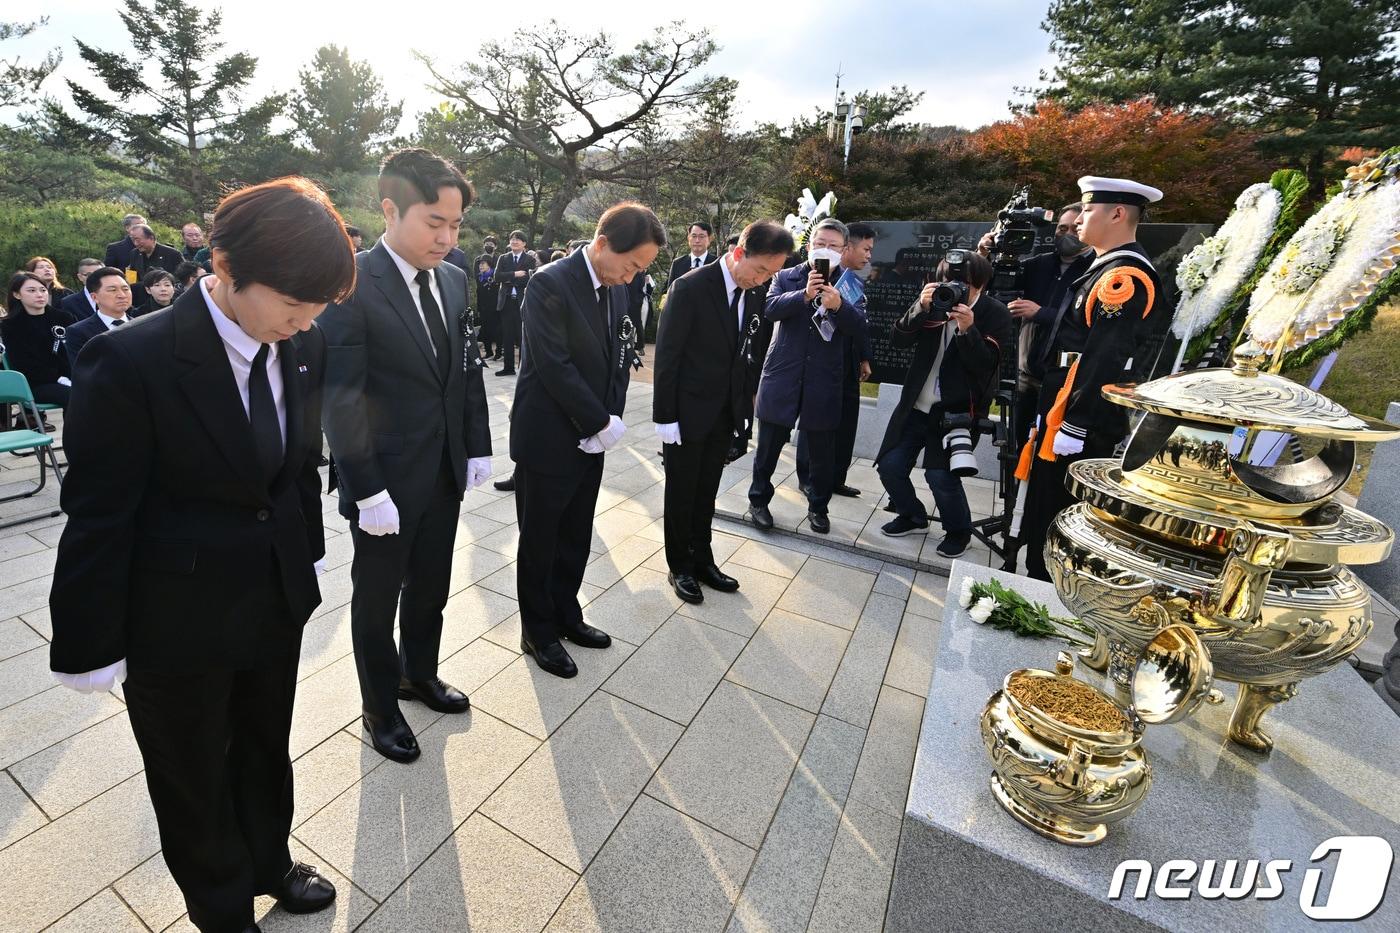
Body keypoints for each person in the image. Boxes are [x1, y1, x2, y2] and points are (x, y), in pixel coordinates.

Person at [48, 177, 355, 933]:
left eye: (319, 305)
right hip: (174, 616)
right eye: (293, 300)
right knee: (190, 772)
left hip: (272, 597)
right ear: (223, 262)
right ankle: (221, 907)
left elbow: (296, 465)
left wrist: (307, 555)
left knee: (264, 744)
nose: (306, 319)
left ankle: (268, 861)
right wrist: (88, 640)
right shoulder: (129, 361)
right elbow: (98, 511)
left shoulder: (303, 342)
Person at [319, 148, 493, 764]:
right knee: (376, 598)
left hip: (442, 470)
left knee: (431, 587)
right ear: (390, 208)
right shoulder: (353, 282)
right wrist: (366, 489)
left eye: (455, 226)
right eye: (433, 223)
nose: (446, 238)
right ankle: (379, 707)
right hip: (385, 482)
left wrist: (477, 446)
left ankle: (418, 672)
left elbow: (463, 370)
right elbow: (341, 400)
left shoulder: (450, 276)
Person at [511, 202, 664, 678]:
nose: (633, 275)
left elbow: (620, 354)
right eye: (632, 263)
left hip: (591, 437)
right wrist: (598, 420)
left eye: (642, 268)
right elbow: (553, 365)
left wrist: (609, 417)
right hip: (549, 435)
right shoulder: (549, 283)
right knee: (541, 537)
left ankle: (566, 613)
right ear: (602, 244)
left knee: (576, 532)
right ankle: (536, 630)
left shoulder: (615, 287)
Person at [1020, 176, 1164, 581]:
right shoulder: (1102, 268)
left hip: (1079, 415)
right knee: (1042, 507)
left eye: (1087, 210)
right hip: (1061, 401)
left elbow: (1105, 357)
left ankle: (1046, 589)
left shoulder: (1125, 277)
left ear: (1117, 214)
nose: (1079, 218)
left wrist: (1074, 423)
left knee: (1057, 513)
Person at [653, 220, 792, 604]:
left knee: (707, 491)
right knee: (681, 492)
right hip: (685, 412)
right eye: (761, 269)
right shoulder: (691, 287)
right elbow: (667, 357)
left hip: (723, 412)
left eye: (773, 274)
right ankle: (679, 565)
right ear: (738, 253)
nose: (764, 279)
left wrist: (743, 415)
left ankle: (703, 559)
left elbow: (746, 359)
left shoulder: (753, 295)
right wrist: (665, 418)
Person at [876, 251, 1011, 557]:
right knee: (890, 465)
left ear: (980, 286)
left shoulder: (994, 313)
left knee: (940, 475)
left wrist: (967, 330)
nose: (954, 289)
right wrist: (920, 307)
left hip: (957, 413)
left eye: (964, 285)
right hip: (916, 405)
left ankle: (958, 530)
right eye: (947, 280)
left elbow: (987, 365)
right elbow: (898, 340)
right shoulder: (934, 304)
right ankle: (912, 515)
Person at [747, 218, 864, 535]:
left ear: (844, 250)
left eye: (834, 246)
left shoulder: (851, 285)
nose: (826, 250)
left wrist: (839, 306)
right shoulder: (786, 276)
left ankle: (818, 507)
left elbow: (860, 328)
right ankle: (758, 501)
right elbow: (769, 309)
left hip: (824, 379)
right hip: (784, 373)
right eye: (820, 243)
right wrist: (802, 295)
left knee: (822, 453)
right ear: (809, 246)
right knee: (768, 447)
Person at [978, 203, 1095, 450]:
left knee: (1047, 447)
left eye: (1074, 228)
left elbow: (1091, 321)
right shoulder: (1039, 264)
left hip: (1064, 378)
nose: (1067, 234)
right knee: (1019, 442)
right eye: (1061, 228)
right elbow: (986, 283)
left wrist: (1041, 313)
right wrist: (984, 254)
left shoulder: (1096, 270)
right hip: (1026, 372)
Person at [796, 222, 875, 499]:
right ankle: (807, 478)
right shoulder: (809, 277)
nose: (868, 256)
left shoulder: (853, 281)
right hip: (820, 361)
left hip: (848, 360)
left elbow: (861, 322)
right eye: (865, 249)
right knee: (814, 420)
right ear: (848, 248)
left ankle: (835, 477)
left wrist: (865, 357)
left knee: (845, 419)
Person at [3, 271, 75, 409]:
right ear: (17, 294)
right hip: (38, 382)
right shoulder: (11, 325)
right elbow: (22, 362)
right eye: (31, 290)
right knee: (75, 395)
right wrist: (58, 378)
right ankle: (76, 431)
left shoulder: (64, 317)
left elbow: (76, 350)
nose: (39, 294)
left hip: (72, 376)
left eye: (43, 290)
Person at [64, 266, 134, 370]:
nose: (122, 295)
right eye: (112, 290)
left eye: (125, 289)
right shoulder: (78, 332)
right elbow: (85, 373)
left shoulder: (143, 324)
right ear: (95, 297)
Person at [491, 230, 536, 376]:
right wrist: (514, 275)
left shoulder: (529, 259)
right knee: (507, 336)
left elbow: (528, 279)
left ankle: (524, 367)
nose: (514, 241)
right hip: (506, 302)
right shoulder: (503, 258)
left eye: (518, 239)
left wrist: (508, 279)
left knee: (523, 335)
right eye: (512, 239)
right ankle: (508, 367)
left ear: (524, 244)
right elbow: (497, 277)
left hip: (522, 302)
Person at [124, 224, 185, 308]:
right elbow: (132, 277)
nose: (135, 243)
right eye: (133, 240)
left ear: (151, 238)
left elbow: (184, 277)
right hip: (143, 302)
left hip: (168, 302)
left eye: (138, 240)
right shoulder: (134, 253)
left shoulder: (172, 254)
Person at [665, 221, 715, 291]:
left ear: (709, 239)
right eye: (694, 236)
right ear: (688, 238)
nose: (697, 240)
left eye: (701, 236)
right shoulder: (677, 264)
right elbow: (670, 293)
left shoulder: (716, 263)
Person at [473, 236, 500, 360]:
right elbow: (476, 278)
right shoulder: (478, 261)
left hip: (495, 303)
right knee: (485, 327)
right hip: (483, 302)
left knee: (497, 327)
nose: (488, 245)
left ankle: (499, 351)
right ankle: (488, 351)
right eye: (486, 243)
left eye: (491, 243)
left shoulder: (499, 259)